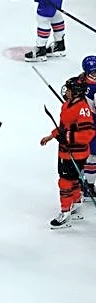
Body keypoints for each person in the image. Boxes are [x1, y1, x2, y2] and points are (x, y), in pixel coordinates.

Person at [39, 75, 94, 228]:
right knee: (74, 179)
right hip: (65, 151)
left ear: (76, 91)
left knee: (65, 182)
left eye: (69, 89)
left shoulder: (83, 109)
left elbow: (88, 134)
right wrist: (52, 136)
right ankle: (76, 203)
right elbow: (64, 127)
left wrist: (68, 137)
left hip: (75, 153)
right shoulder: (67, 105)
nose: (66, 91)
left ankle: (65, 212)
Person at [81, 55, 96, 197]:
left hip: (84, 125)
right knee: (92, 156)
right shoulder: (93, 89)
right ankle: (88, 185)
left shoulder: (80, 81)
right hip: (91, 127)